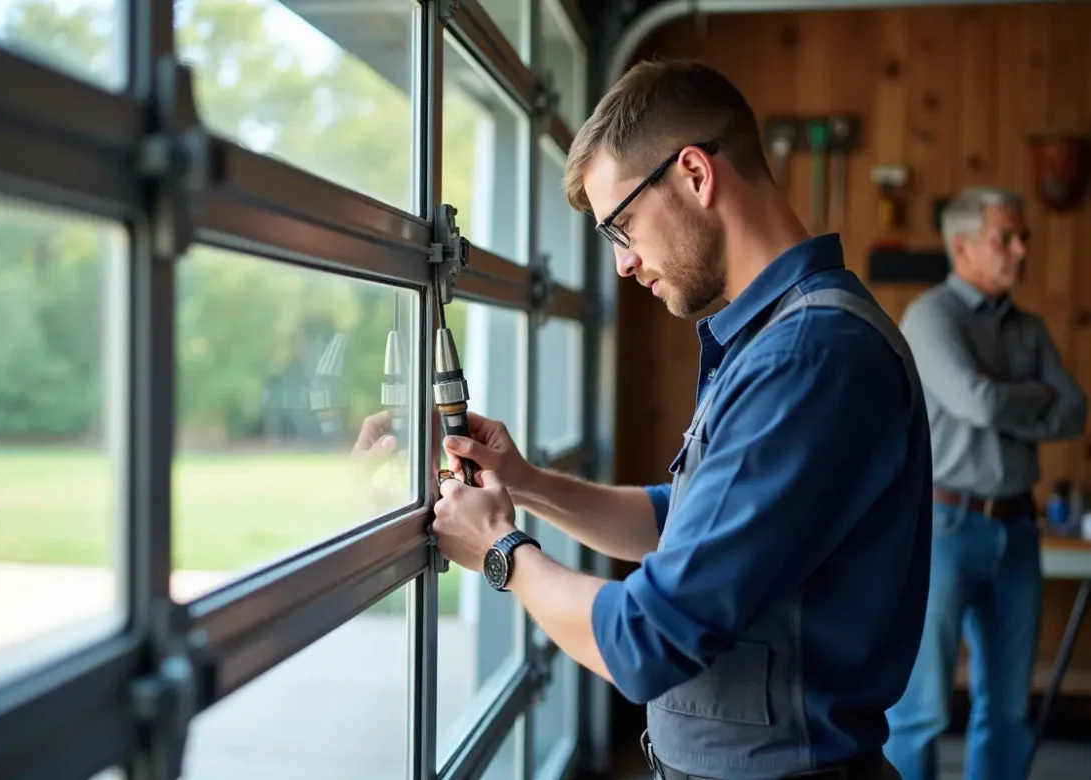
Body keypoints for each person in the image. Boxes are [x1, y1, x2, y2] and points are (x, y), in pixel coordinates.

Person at [429, 59, 932, 780]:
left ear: (695, 174)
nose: (624, 265)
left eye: (623, 225)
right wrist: (527, 483)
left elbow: (647, 642)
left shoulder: (809, 356)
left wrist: (500, 551)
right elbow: (685, 523)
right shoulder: (776, 339)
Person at [883, 187, 1088, 780]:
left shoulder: (1030, 328)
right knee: (919, 710)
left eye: (1023, 236)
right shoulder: (930, 316)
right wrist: (1032, 396)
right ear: (963, 246)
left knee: (1007, 710)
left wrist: (1007, 399)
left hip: (1020, 529)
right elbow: (978, 402)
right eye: (1007, 237)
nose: (1022, 249)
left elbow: (1074, 410)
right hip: (943, 528)